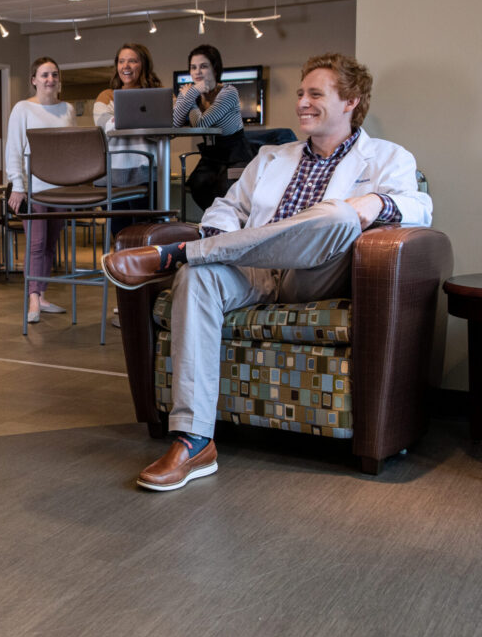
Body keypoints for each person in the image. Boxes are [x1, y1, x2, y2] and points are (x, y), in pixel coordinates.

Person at [102, 53, 432, 491]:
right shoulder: (272, 157)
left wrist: (374, 203)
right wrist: (219, 239)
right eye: (301, 93)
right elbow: (227, 208)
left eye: (316, 94)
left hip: (317, 274)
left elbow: (420, 208)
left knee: (337, 215)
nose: (302, 103)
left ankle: (178, 253)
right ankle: (194, 440)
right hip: (254, 270)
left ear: (351, 101)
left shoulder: (387, 157)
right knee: (198, 277)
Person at [5, 56, 76, 324]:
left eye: (54, 75)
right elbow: (13, 149)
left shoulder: (67, 109)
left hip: (61, 190)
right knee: (36, 244)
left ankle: (42, 295)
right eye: (44, 75)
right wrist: (18, 186)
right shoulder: (22, 109)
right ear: (34, 80)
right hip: (34, 189)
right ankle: (32, 298)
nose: (50, 80)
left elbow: (72, 150)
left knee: (50, 245)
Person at [173, 44, 254, 210]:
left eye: (203, 66)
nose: (197, 72)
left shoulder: (229, 92)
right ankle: (216, 224)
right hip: (211, 157)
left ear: (215, 69)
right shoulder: (193, 93)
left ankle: (230, 228)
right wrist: (191, 95)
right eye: (193, 68)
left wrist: (190, 96)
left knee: (226, 192)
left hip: (235, 155)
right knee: (197, 186)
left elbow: (201, 124)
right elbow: (174, 124)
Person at [93, 43, 161, 237]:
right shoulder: (106, 96)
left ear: (143, 65)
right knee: (119, 230)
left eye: (132, 61)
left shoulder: (158, 95)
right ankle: (122, 267)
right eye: (121, 61)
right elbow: (106, 127)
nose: (126, 66)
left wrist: (122, 120)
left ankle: (143, 268)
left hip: (147, 173)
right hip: (114, 176)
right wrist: (144, 120)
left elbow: (165, 128)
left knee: (147, 230)